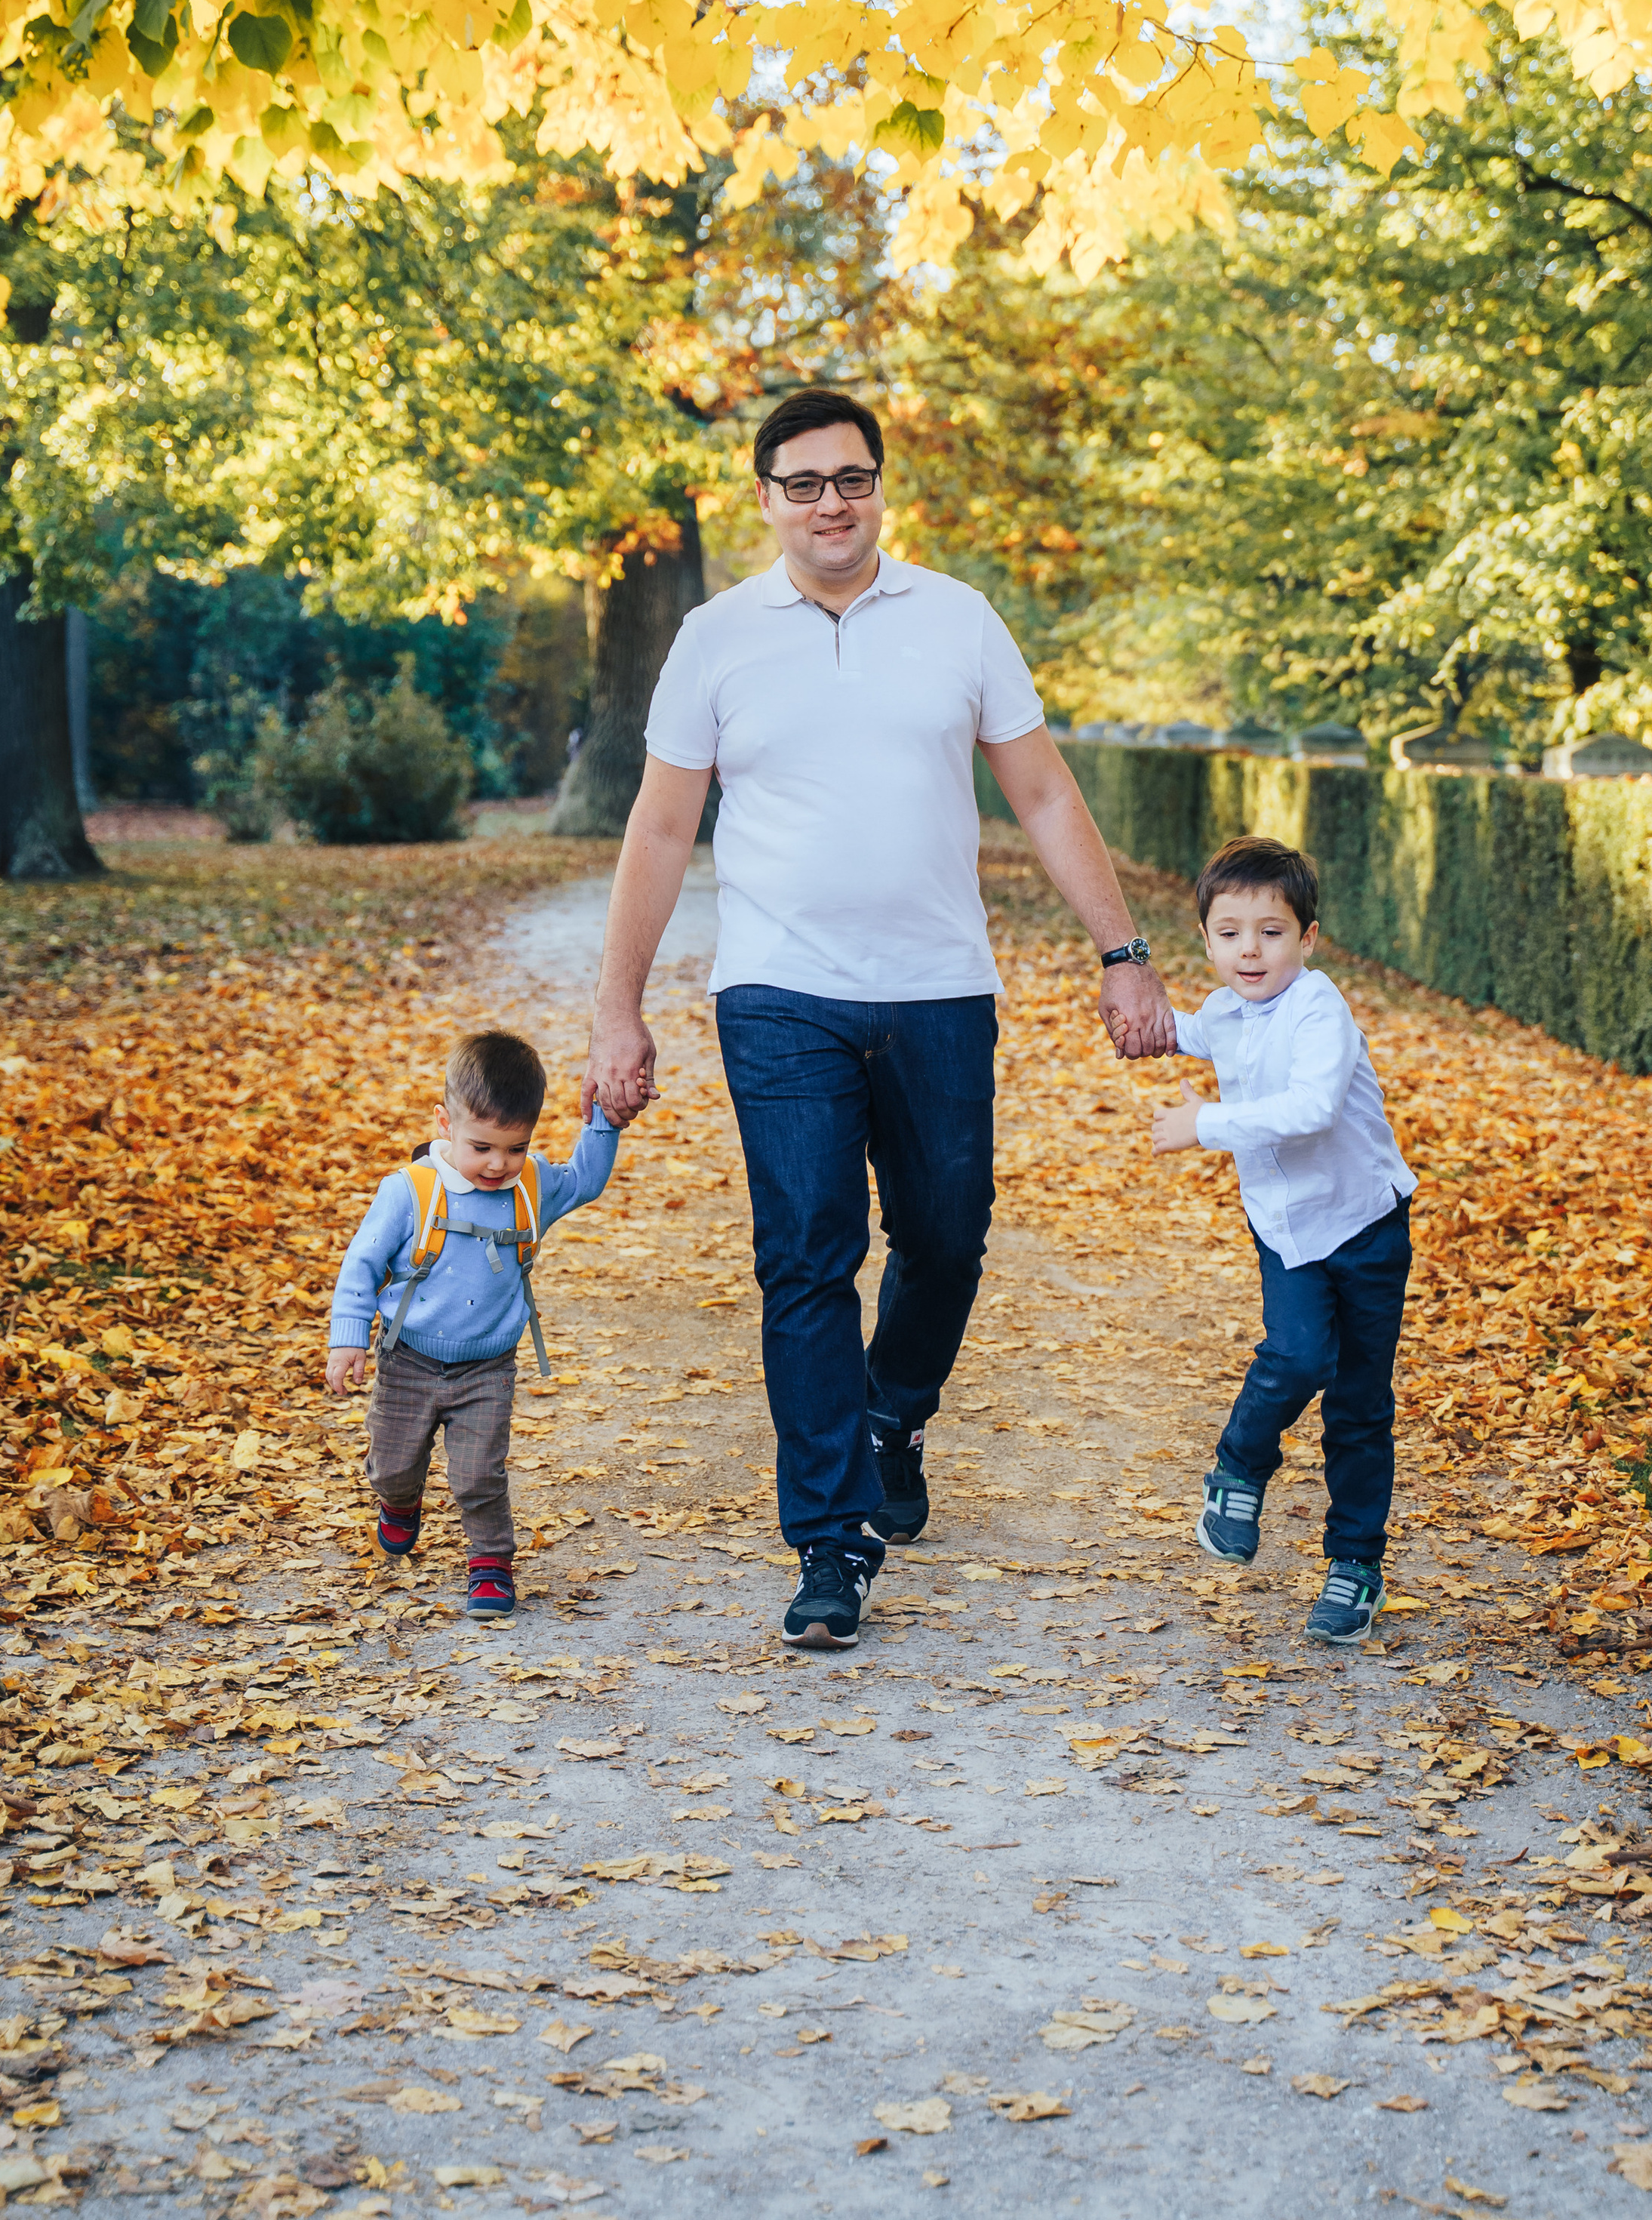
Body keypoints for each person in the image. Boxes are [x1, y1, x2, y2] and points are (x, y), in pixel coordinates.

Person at [581, 385, 1175, 1652]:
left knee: (948, 1239)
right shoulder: (716, 639)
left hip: (941, 990)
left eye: (849, 478)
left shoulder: (959, 620)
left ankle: (893, 1417)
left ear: (879, 485)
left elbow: (1046, 797)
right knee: (805, 1255)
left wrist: (1124, 955)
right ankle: (832, 1539)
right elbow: (662, 828)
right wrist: (617, 1007)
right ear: (766, 500)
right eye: (802, 484)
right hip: (779, 994)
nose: (829, 504)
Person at [1151, 834, 1416, 1644]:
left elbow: (1312, 1108)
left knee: (1359, 1401)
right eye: (1229, 932)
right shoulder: (1228, 1013)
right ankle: (1238, 1467)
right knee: (1298, 1355)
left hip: (1366, 1225)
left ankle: (1354, 1565)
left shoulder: (1318, 1008)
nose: (1249, 949)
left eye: (1270, 931)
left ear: (1307, 939)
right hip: (1287, 1230)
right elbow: (1193, 1032)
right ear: (1206, 940)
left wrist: (1204, 1125)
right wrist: (1143, 1020)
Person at [327, 1027, 622, 1621]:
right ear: (444, 1124)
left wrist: (605, 1120)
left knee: (478, 1474)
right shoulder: (411, 1190)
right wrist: (348, 1337)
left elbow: (587, 1179)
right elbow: (362, 1263)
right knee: (392, 1465)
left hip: (487, 1365)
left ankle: (491, 1561)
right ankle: (400, 1503)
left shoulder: (531, 1184)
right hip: (408, 1357)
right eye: (482, 1147)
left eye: (515, 1148)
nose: (498, 1164)